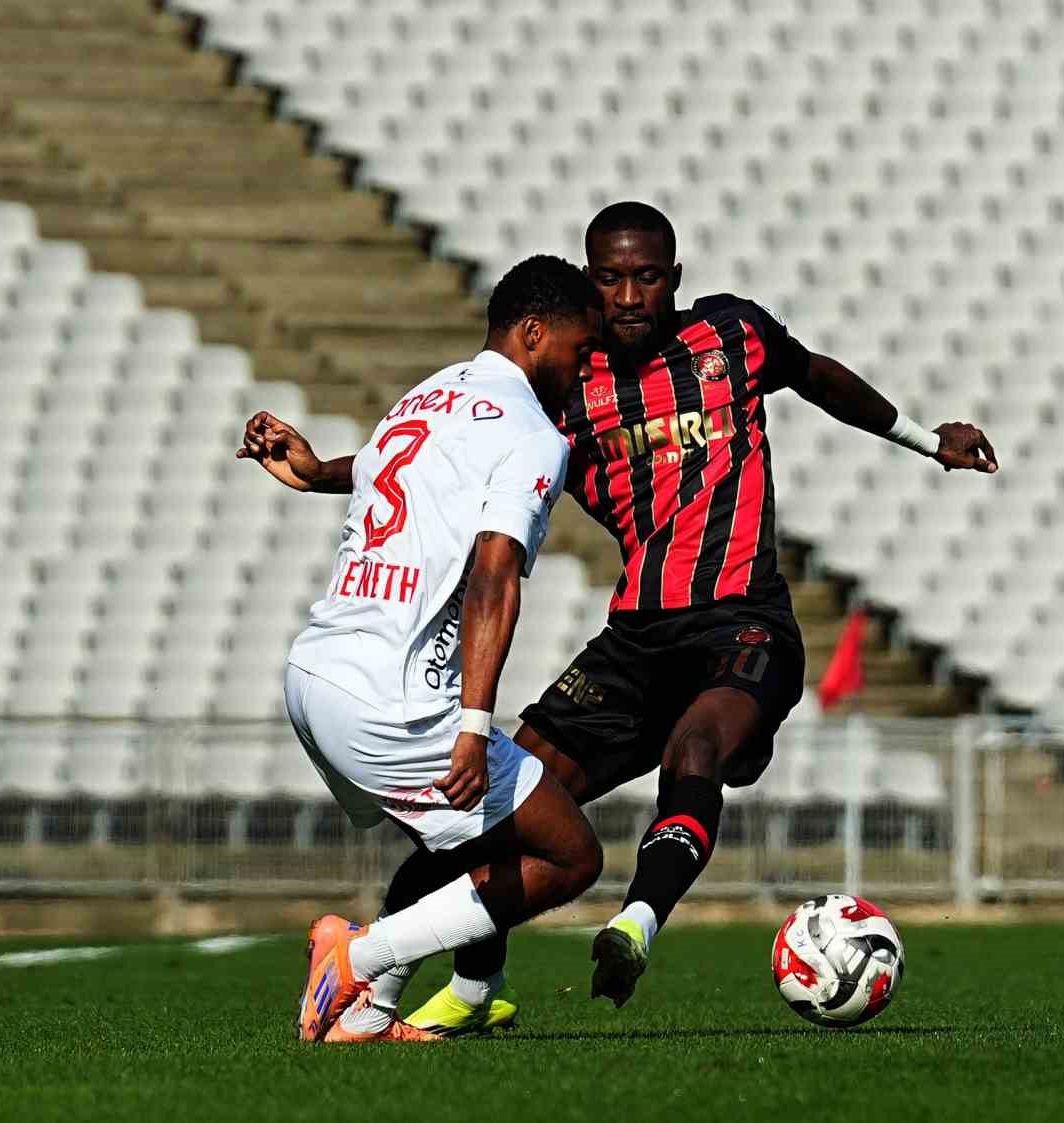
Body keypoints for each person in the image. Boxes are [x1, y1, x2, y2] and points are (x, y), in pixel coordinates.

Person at [404, 202, 997, 1034]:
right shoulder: (569, 384)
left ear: (673, 279)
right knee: (500, 803)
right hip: (635, 639)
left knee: (695, 750)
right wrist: (327, 471)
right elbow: (446, 453)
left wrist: (923, 439)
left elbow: (818, 376)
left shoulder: (733, 336)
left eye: (646, 276)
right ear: (589, 281)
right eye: (609, 278)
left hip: (743, 621)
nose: (629, 294)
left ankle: (636, 923)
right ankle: (474, 989)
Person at [236, 254, 605, 1044]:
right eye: (580, 350)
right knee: (570, 855)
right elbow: (494, 578)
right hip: (390, 698)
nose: (583, 371)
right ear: (535, 333)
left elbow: (382, 472)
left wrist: (309, 475)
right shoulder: (533, 433)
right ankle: (360, 957)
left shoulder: (428, 393)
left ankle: (366, 1015)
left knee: (459, 847)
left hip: (315, 674)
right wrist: (474, 721)